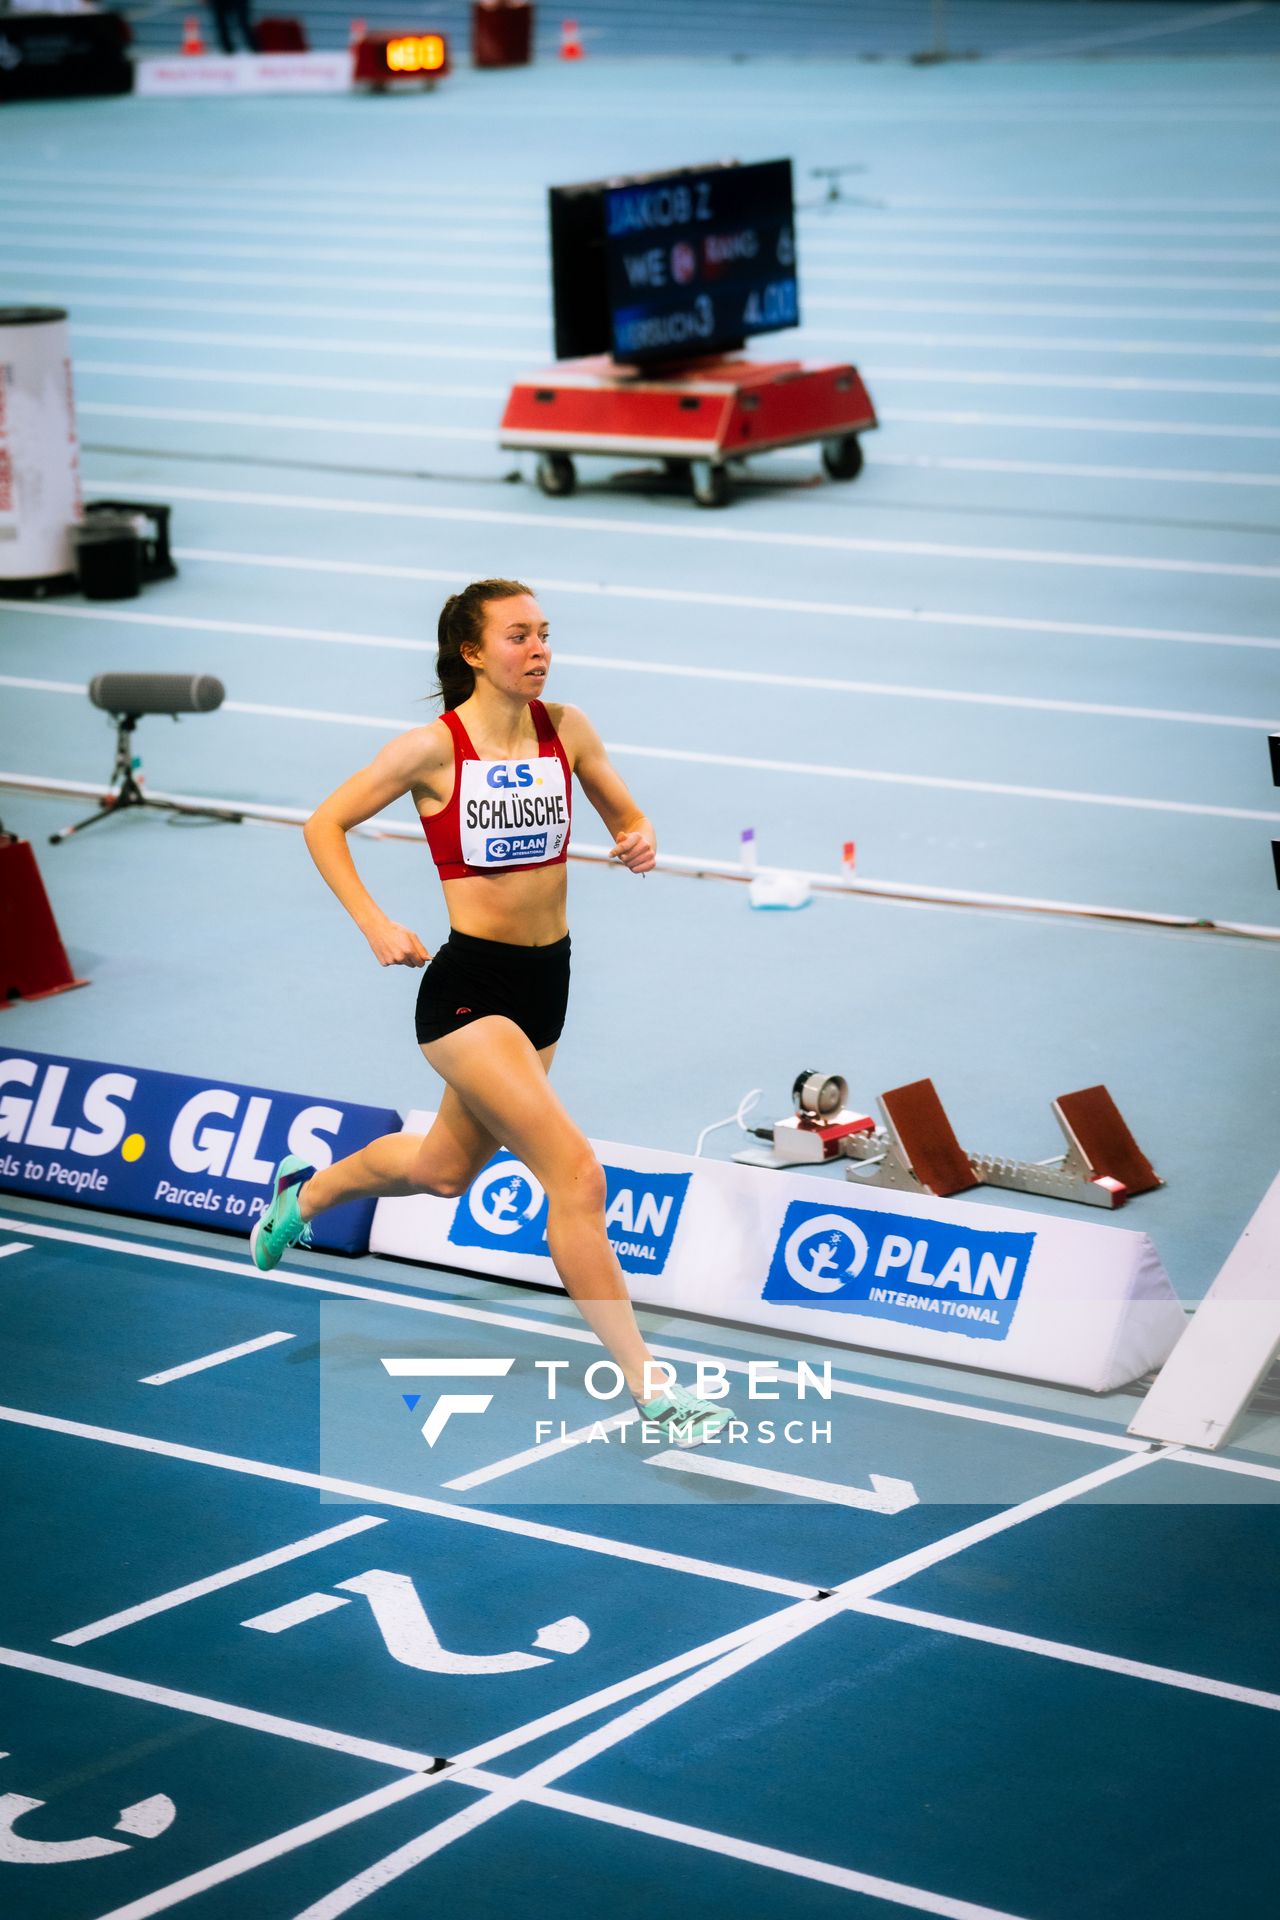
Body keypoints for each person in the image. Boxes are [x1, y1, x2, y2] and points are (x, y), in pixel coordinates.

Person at [251, 577, 732, 1446]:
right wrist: (375, 923)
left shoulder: (567, 729)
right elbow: (324, 825)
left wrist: (638, 839)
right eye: (518, 636)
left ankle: (305, 1190)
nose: (539, 649)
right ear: (472, 652)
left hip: (549, 979)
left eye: (545, 633)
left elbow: (629, 815)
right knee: (576, 1176)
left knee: (443, 1171)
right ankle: (653, 1389)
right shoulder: (429, 749)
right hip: (467, 992)